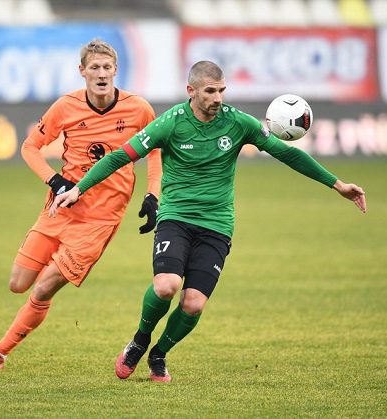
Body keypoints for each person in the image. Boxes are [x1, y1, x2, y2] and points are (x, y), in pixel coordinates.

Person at [49, 60, 367, 382]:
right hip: (176, 217)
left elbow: (287, 154)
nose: (218, 98)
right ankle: (139, 341)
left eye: (222, 91)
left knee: (193, 304)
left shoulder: (238, 123)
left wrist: (337, 184)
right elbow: (120, 156)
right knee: (166, 286)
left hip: (217, 224)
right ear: (191, 91)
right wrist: (78, 189)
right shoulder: (170, 123)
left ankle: (158, 354)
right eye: (210, 91)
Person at [0, 39, 162, 370]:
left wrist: (152, 193)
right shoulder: (66, 106)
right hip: (60, 208)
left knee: (46, 286)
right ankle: (1, 349)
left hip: (100, 220)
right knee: (18, 284)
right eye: (95, 68)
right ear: (82, 71)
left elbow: (157, 149)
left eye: (107, 68)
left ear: (116, 70)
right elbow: (30, 146)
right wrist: (54, 179)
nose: (101, 74)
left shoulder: (139, 109)